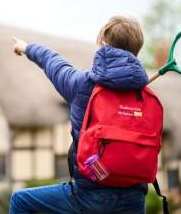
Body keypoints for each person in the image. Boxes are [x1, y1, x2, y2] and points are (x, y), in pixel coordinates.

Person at [10, 16, 149, 214]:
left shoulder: (82, 85)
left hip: (91, 196)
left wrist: (26, 47)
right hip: (134, 199)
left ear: (102, 45)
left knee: (20, 200)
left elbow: (52, 61)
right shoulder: (145, 96)